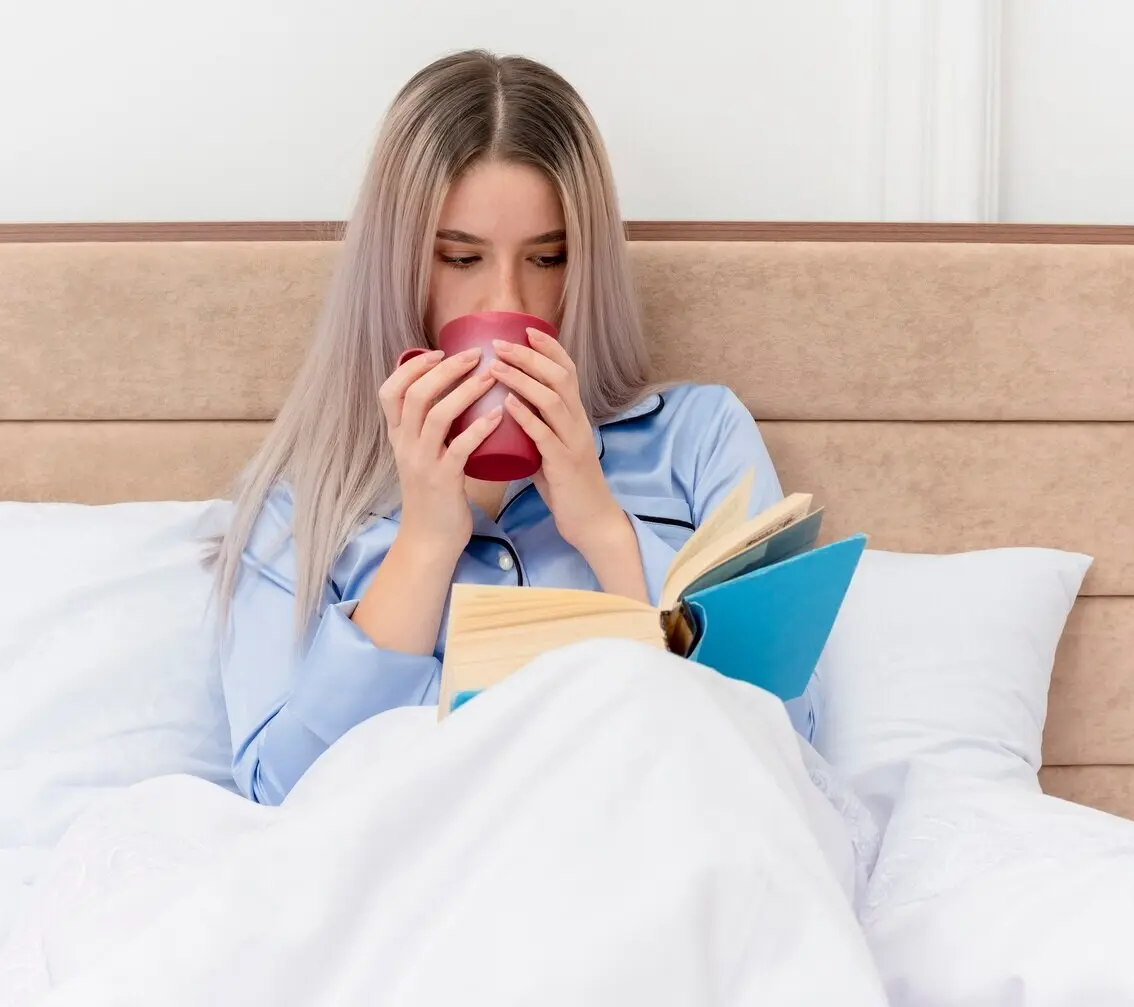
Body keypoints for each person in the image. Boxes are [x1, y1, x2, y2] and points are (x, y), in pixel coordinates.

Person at [212, 49, 821, 807]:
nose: (510, 299)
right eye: (461, 257)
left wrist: (600, 524)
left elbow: (788, 746)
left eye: (549, 257)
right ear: (398, 265)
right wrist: (425, 543)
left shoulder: (698, 439)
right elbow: (279, 796)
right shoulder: (302, 502)